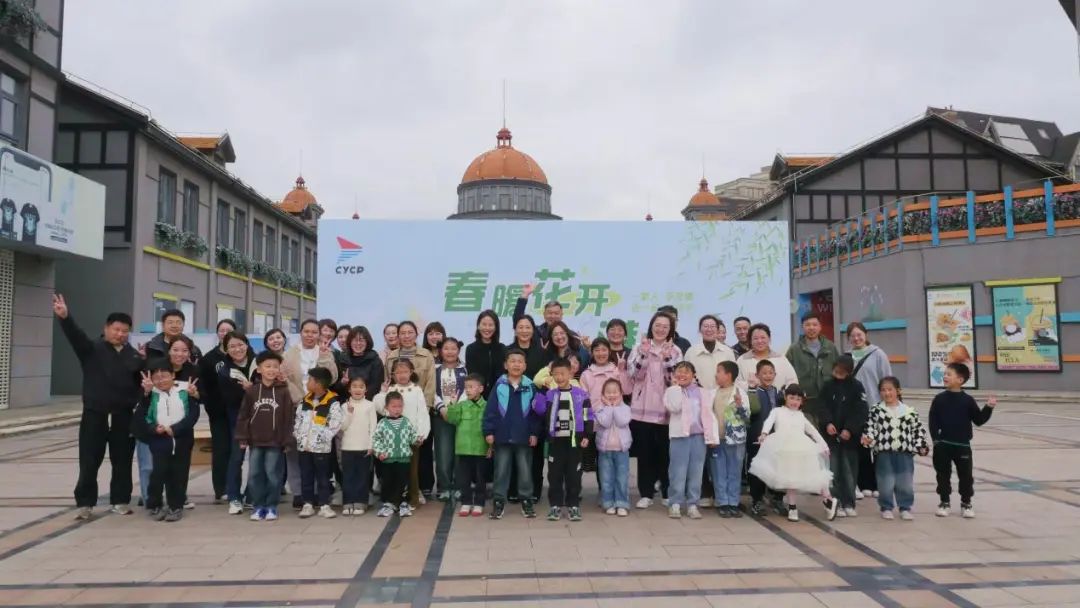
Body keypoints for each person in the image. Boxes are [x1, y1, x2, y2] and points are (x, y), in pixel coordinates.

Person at [53, 294, 143, 520]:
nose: (120, 334)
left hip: (123, 416)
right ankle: (85, 503)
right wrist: (65, 317)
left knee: (122, 460)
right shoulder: (91, 349)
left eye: (125, 331)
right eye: (116, 329)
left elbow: (141, 385)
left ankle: (120, 500)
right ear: (106, 328)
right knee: (89, 460)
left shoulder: (135, 356)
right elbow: (75, 336)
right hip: (95, 414)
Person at [749, 384, 839, 523]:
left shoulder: (801, 415)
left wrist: (824, 445)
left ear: (802, 401)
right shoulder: (777, 411)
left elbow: (812, 431)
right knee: (790, 478)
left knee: (815, 473)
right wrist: (764, 433)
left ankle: (828, 500)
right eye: (792, 398)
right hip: (784, 449)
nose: (795, 401)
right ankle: (792, 508)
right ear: (785, 397)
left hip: (802, 449)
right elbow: (768, 422)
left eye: (798, 399)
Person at [131, 359, 199, 522]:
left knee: (179, 474)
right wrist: (154, 429)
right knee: (158, 473)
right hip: (159, 440)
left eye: (165, 376)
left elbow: (193, 414)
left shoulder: (184, 390)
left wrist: (176, 429)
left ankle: (176, 507)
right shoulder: (149, 394)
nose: (161, 381)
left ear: (173, 375)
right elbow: (141, 417)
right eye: (156, 377)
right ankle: (154, 504)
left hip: (182, 439)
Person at [627, 311, 682, 509]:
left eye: (665, 327)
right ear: (651, 326)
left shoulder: (675, 350)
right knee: (645, 454)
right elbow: (634, 375)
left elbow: (675, 379)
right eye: (657, 325)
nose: (660, 329)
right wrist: (643, 354)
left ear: (671, 330)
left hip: (666, 410)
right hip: (642, 411)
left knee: (666, 454)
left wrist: (667, 358)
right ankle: (646, 493)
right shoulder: (639, 347)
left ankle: (667, 492)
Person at [282, 319, 339, 508]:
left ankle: (316, 491)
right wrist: (300, 399)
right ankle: (299, 492)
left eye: (314, 332)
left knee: (318, 451)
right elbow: (285, 380)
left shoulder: (325, 351)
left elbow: (332, 377)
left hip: (321, 407)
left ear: (319, 335)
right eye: (306, 331)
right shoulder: (289, 354)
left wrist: (324, 357)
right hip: (297, 406)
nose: (310, 335)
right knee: (296, 452)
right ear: (300, 332)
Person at [928, 363, 996, 519]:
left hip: (962, 446)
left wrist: (988, 408)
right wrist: (936, 440)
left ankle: (966, 503)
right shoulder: (939, 399)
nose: (945, 376)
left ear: (960, 380)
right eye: (945, 374)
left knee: (966, 477)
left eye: (949, 374)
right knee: (942, 475)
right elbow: (933, 421)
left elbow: (979, 420)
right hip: (943, 446)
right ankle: (944, 502)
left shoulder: (968, 400)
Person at [235, 351, 293, 522]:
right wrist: (243, 437)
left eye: (275, 366)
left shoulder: (283, 392)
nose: (271, 369)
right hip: (255, 441)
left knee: (272, 474)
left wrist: (287, 440)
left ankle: (271, 506)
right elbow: (243, 416)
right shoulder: (252, 391)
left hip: (275, 442)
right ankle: (258, 506)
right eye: (268, 366)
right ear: (259, 369)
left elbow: (288, 418)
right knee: (254, 474)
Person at [685, 314, 736, 508]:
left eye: (712, 326)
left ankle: (721, 492)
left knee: (720, 446)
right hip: (699, 403)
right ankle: (704, 490)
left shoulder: (727, 351)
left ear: (718, 329)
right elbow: (686, 375)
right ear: (700, 329)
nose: (709, 329)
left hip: (723, 402)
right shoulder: (692, 351)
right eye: (705, 326)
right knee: (701, 447)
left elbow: (734, 376)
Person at [482, 348, 540, 520]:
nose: (516, 364)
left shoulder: (530, 386)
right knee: (501, 470)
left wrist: (534, 432)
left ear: (525, 366)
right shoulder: (499, 385)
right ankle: (499, 501)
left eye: (520, 361)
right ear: (506, 365)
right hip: (502, 436)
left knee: (525, 471)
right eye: (512, 361)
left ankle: (526, 500)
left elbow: (535, 413)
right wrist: (488, 431)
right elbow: (490, 410)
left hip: (524, 437)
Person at [532, 358, 592, 522]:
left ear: (570, 373)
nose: (559, 377)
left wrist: (586, 435)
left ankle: (574, 505)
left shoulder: (581, 394)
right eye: (555, 374)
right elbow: (540, 411)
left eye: (562, 373)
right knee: (554, 475)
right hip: (555, 442)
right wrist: (539, 398)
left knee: (574, 475)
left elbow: (588, 415)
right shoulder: (550, 394)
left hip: (574, 442)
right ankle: (555, 505)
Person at [862, 377, 928, 521]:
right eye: (883, 390)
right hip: (884, 453)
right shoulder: (876, 410)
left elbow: (918, 431)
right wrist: (868, 439)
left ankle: (905, 507)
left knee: (905, 482)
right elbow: (870, 429)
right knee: (885, 482)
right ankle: (886, 507)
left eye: (890, 389)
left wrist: (921, 446)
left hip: (904, 454)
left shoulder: (909, 411)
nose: (887, 393)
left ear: (898, 391)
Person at [374, 359, 431, 510]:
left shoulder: (416, 389)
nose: (402, 375)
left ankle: (413, 498)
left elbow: (422, 413)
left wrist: (422, 434)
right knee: (394, 471)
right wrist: (383, 391)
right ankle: (394, 499)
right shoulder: (392, 389)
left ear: (411, 372)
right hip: (392, 438)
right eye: (398, 372)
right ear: (393, 374)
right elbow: (380, 408)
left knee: (412, 470)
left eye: (405, 371)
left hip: (411, 436)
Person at [663, 361, 717, 519]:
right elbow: (674, 407)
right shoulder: (672, 391)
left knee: (696, 472)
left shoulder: (703, 392)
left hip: (698, 437)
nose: (682, 375)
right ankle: (675, 503)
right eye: (679, 372)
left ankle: (693, 504)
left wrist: (712, 436)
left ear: (694, 375)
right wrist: (676, 388)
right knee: (677, 471)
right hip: (679, 436)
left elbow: (709, 415)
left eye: (686, 372)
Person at [846, 321, 892, 500]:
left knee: (879, 448)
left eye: (859, 334)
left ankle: (879, 484)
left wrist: (888, 404)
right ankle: (865, 483)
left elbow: (887, 380)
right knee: (861, 447)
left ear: (866, 334)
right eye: (852, 336)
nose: (856, 338)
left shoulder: (878, 354)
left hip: (876, 406)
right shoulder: (847, 356)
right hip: (856, 409)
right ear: (848, 338)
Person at [818, 355, 868, 518]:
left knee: (849, 472)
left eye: (842, 370)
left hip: (849, 440)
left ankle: (849, 503)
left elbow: (861, 411)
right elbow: (822, 406)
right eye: (836, 369)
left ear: (849, 371)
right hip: (831, 438)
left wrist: (850, 429)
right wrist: (827, 423)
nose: (838, 372)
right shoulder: (827, 386)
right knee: (833, 472)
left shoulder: (857, 387)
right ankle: (835, 502)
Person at [294, 367, 342, 519]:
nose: (307, 382)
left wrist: (322, 438)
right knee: (306, 476)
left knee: (323, 477)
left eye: (309, 379)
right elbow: (298, 419)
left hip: (321, 449)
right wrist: (299, 435)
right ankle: (307, 504)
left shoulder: (332, 402)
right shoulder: (305, 401)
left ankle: (324, 505)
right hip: (304, 448)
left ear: (318, 383)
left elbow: (335, 424)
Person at [219, 331, 257, 515]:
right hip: (237, 418)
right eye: (232, 346)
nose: (237, 349)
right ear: (226, 349)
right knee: (236, 458)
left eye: (240, 344)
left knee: (257, 458)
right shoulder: (224, 370)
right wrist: (247, 391)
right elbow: (228, 398)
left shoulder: (258, 364)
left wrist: (253, 389)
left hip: (260, 417)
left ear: (247, 345)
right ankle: (234, 497)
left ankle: (251, 495)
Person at [200, 319, 237, 502]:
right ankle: (221, 488)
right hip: (218, 412)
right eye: (221, 330)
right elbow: (203, 386)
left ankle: (236, 487)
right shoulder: (209, 358)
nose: (224, 333)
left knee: (237, 451)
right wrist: (210, 406)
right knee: (221, 450)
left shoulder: (242, 354)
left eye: (228, 330)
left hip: (238, 411)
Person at [709, 361, 750, 518]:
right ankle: (722, 502)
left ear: (729, 375)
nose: (716, 375)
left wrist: (739, 406)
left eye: (719, 371)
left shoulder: (740, 393)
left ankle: (733, 502)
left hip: (735, 440)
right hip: (717, 439)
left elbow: (746, 417)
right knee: (718, 471)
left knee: (734, 471)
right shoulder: (712, 393)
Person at [446, 374, 490, 517]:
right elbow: (452, 419)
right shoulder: (462, 406)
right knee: (463, 478)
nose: (468, 390)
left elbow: (491, 427)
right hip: (463, 449)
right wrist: (452, 405)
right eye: (466, 387)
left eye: (471, 387)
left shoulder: (487, 406)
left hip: (481, 449)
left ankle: (479, 503)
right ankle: (466, 502)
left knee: (480, 478)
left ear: (481, 389)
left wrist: (491, 447)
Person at [785, 313, 840, 427]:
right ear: (802, 327)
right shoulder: (794, 349)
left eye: (815, 324)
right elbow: (787, 374)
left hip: (827, 400)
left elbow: (838, 371)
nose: (811, 328)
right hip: (804, 401)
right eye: (807, 325)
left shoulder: (830, 347)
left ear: (820, 327)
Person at [746, 359, 785, 517]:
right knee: (758, 469)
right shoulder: (754, 392)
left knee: (778, 468)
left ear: (775, 374)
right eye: (764, 373)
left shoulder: (779, 393)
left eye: (771, 373)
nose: (768, 376)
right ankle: (757, 499)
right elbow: (752, 411)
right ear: (757, 375)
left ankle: (777, 498)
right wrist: (751, 389)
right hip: (757, 436)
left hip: (777, 437)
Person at [372, 391, 418, 518]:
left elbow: (412, 436)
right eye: (394, 406)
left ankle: (403, 503)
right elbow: (376, 439)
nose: (397, 409)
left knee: (403, 481)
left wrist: (417, 439)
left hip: (404, 459)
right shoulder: (382, 423)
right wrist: (379, 452)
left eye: (400, 406)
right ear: (386, 407)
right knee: (388, 481)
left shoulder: (406, 422)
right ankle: (388, 504)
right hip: (388, 459)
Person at [432, 337, 467, 501]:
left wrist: (455, 409)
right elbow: (431, 390)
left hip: (461, 416)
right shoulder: (435, 369)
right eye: (446, 348)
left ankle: (459, 486)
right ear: (440, 351)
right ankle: (444, 487)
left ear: (458, 351)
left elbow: (467, 390)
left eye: (453, 348)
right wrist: (442, 408)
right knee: (443, 453)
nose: (450, 352)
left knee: (459, 453)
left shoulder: (464, 369)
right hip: (441, 417)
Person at [339, 376, 377, 516]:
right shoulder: (344, 406)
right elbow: (342, 427)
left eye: (361, 386)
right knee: (348, 476)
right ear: (349, 389)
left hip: (364, 447)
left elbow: (373, 427)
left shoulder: (370, 405)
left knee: (362, 476)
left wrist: (371, 445)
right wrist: (349, 414)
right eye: (354, 386)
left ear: (366, 389)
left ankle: (361, 502)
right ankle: (348, 502)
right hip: (347, 447)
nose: (358, 389)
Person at [594, 378, 632, 516]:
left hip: (622, 450)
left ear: (621, 393)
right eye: (608, 392)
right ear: (603, 394)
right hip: (605, 450)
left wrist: (615, 407)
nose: (612, 395)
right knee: (606, 478)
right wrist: (610, 408)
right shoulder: (600, 409)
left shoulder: (626, 408)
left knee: (622, 478)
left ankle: (622, 503)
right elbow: (605, 422)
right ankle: (608, 503)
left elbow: (622, 421)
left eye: (615, 392)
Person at [385, 320, 436, 407]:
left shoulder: (426, 355)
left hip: (420, 406)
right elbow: (387, 383)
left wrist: (425, 407)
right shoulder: (391, 357)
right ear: (398, 336)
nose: (407, 336)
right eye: (403, 333)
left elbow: (431, 385)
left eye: (410, 332)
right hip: (396, 408)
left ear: (416, 334)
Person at [735, 323, 798, 393]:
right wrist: (750, 385)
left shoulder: (781, 359)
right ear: (750, 340)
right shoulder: (742, 360)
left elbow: (792, 381)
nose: (759, 341)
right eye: (755, 338)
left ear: (769, 339)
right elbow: (736, 385)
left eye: (763, 338)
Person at [465, 310, 507, 394]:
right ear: (478, 326)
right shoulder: (471, 349)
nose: (487, 328)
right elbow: (472, 376)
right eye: (484, 324)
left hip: (499, 395)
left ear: (496, 327)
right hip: (478, 396)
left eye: (490, 325)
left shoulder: (502, 349)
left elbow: (504, 375)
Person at [339, 326, 385, 401]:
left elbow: (375, 387)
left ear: (367, 342)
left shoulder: (375, 360)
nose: (358, 343)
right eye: (355, 340)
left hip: (368, 403)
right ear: (350, 342)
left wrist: (359, 403)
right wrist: (342, 382)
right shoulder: (342, 359)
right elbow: (336, 387)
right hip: (345, 403)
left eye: (361, 340)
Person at [507, 315, 548, 379]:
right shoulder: (507, 351)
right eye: (521, 327)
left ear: (533, 330)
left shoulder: (542, 353)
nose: (524, 331)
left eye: (528, 327)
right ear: (515, 330)